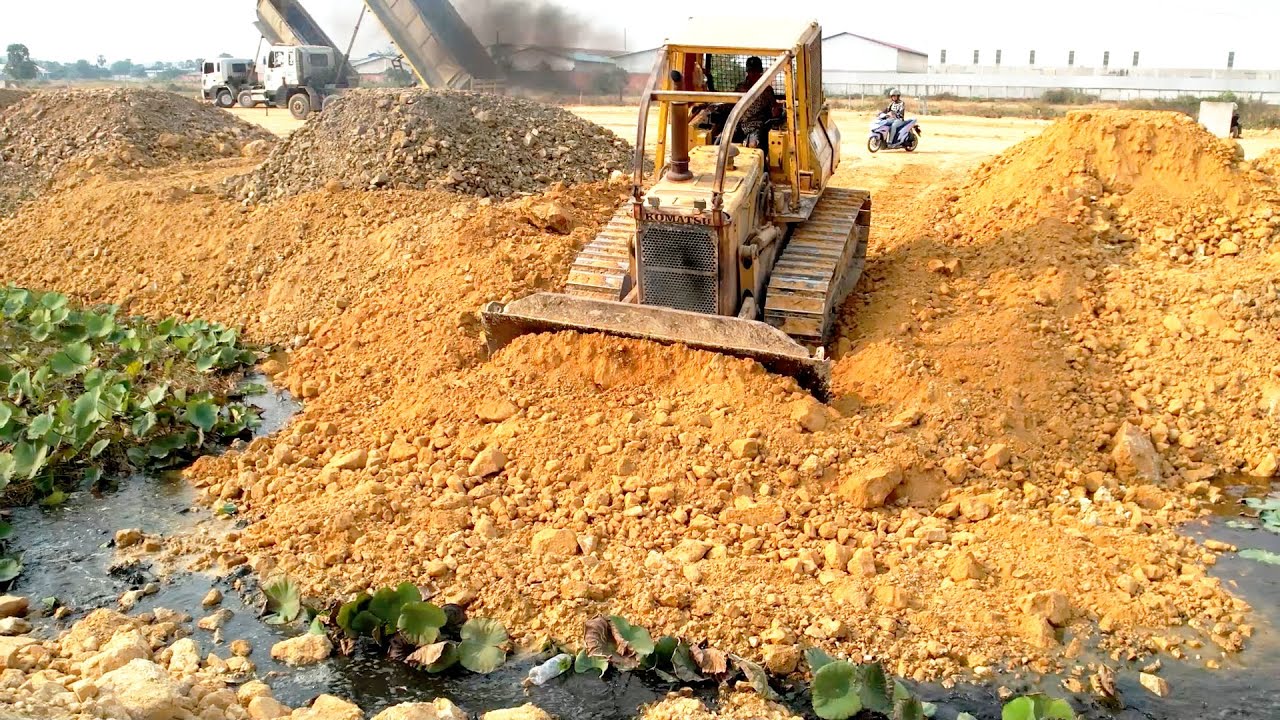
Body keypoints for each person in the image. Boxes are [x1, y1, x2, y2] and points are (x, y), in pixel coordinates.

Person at [735, 56, 778, 149]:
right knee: (722, 142)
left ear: (760, 72)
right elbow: (731, 105)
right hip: (738, 124)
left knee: (753, 145)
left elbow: (774, 108)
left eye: (756, 71)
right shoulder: (740, 88)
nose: (753, 74)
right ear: (747, 72)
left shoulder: (766, 89)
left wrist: (776, 113)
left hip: (756, 125)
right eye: (751, 71)